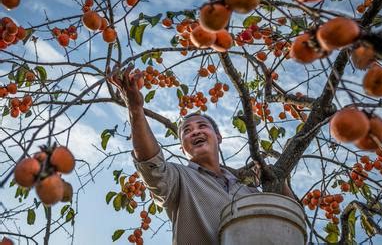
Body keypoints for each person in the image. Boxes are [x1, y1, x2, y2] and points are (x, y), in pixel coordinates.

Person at [108, 66, 294, 244]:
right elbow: (151, 164)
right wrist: (135, 109)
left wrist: (279, 177)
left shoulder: (248, 190)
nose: (195, 132)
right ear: (183, 148)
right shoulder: (178, 178)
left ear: (218, 137)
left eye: (202, 126)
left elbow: (290, 221)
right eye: (187, 131)